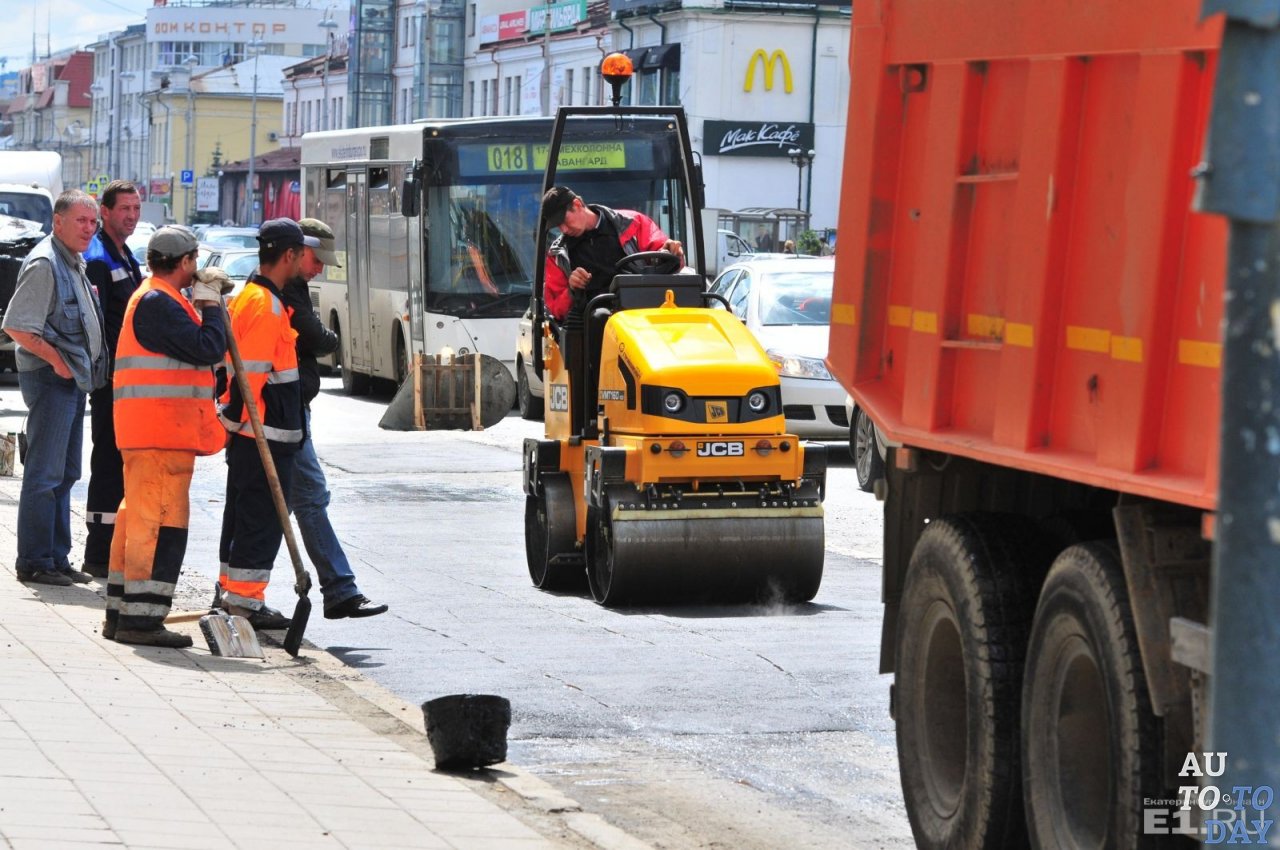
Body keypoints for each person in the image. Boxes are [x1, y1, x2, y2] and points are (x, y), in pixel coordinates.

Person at [104, 226, 230, 648]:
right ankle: (140, 621)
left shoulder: (159, 297)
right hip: (158, 434)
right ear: (187, 262)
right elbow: (207, 346)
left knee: (137, 519)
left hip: (157, 434)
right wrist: (212, 307)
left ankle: (123, 614)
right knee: (156, 526)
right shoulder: (158, 301)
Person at [281, 218, 387, 620]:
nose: (321, 267)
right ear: (295, 250)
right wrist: (321, 337)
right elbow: (316, 338)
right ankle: (340, 589)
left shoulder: (295, 287)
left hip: (289, 409)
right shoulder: (282, 292)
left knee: (288, 503)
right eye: (316, 258)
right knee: (306, 498)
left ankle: (237, 589)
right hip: (282, 412)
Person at [2, 190, 108, 586]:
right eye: (80, 220)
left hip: (71, 382)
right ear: (58, 222)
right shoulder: (46, 262)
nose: (88, 228)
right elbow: (16, 326)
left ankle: (56, 557)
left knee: (65, 472)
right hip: (52, 381)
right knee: (45, 474)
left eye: (92, 222)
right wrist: (59, 362)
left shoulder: (72, 261)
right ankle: (34, 561)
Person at [216, 218, 307, 631]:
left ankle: (231, 593)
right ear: (288, 255)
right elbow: (249, 377)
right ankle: (244, 604)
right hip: (263, 437)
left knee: (242, 518)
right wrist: (235, 424)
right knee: (260, 521)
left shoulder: (252, 297)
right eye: (302, 254)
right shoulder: (266, 307)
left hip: (256, 434)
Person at [82, 180, 144, 578]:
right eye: (125, 209)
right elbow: (101, 325)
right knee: (107, 462)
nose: (132, 216)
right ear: (104, 211)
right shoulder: (100, 256)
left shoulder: (126, 254)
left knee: (118, 463)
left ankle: (112, 550)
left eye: (137, 209)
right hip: (111, 381)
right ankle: (99, 554)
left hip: (127, 381)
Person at [540, 186, 683, 322]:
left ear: (577, 204)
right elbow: (555, 307)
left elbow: (666, 255)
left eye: (564, 221)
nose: (563, 229)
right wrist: (572, 289)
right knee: (599, 318)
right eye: (558, 226)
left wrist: (672, 250)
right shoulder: (557, 255)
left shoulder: (633, 223)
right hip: (595, 316)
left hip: (644, 306)